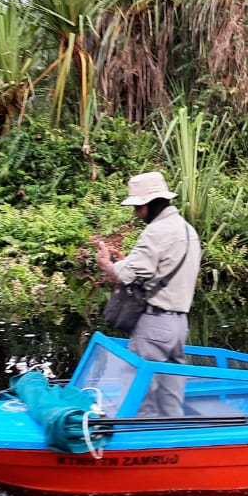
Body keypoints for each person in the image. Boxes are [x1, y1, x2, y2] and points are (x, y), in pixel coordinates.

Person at [97, 171, 201, 417]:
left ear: (150, 204)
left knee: (136, 387)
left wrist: (107, 265)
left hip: (155, 324)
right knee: (171, 389)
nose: (136, 213)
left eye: (138, 207)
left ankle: (140, 441)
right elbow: (157, 270)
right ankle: (172, 439)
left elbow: (127, 276)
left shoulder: (157, 231)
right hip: (179, 325)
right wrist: (127, 264)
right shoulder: (188, 231)